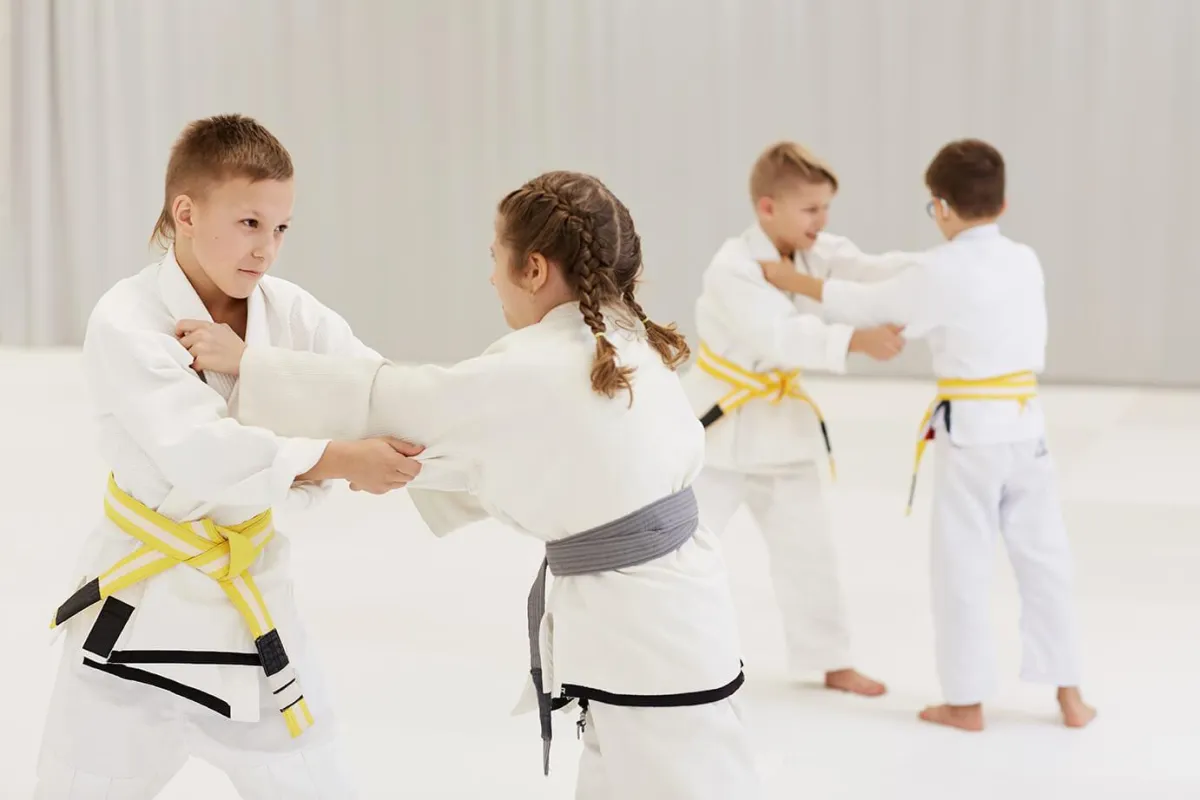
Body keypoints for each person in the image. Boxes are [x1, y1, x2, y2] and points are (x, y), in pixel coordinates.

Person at [182, 170, 764, 798]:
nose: (490, 277)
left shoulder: (540, 366)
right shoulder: (621, 341)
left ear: (533, 269)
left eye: (494, 257)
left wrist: (251, 364)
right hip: (672, 621)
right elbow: (515, 448)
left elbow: (403, 400)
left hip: (644, 638)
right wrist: (389, 463)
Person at [35, 114, 422, 799]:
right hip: (134, 623)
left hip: (253, 620)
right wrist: (340, 458)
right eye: (249, 223)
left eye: (281, 228)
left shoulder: (289, 312)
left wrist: (256, 364)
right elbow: (202, 454)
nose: (266, 248)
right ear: (186, 214)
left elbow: (373, 387)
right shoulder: (127, 319)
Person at [760, 138, 1096, 732]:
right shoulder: (1024, 260)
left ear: (940, 207)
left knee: (961, 566)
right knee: (1046, 558)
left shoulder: (940, 271)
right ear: (1003, 203)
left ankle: (965, 701)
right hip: (1028, 430)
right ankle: (1070, 694)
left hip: (973, 436)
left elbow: (869, 306)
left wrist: (793, 280)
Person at [680, 141, 921, 696]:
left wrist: (937, 269)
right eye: (811, 209)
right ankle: (666, 653)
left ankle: (831, 661)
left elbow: (870, 270)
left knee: (810, 553)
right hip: (719, 429)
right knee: (684, 550)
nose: (823, 220)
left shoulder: (818, 251)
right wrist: (855, 340)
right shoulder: (732, 267)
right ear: (768, 208)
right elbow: (780, 336)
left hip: (782, 429)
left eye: (826, 207)